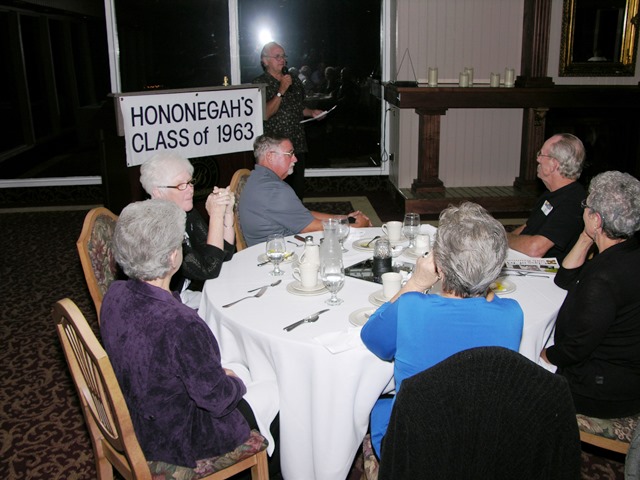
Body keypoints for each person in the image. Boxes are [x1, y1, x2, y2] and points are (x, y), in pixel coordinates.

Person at [100, 199, 279, 472]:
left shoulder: (115, 295)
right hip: (179, 439)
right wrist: (234, 382)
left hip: (136, 412)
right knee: (275, 388)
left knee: (239, 366)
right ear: (173, 257)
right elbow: (218, 400)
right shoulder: (181, 323)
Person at [361, 202, 524, 458]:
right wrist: (482, 281)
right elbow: (486, 302)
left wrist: (416, 283)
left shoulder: (412, 307)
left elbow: (371, 337)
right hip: (482, 447)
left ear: (440, 264)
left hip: (414, 452)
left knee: (376, 405)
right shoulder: (512, 315)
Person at [541, 171, 640, 418]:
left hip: (602, 390)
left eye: (586, 204)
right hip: (624, 375)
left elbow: (575, 347)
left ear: (596, 219)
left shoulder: (603, 279)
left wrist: (546, 355)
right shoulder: (629, 250)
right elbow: (564, 279)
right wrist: (587, 237)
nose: (582, 208)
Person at [238, 134, 371, 246]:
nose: (295, 159)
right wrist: (356, 227)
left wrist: (343, 219)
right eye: (290, 154)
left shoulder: (258, 179)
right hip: (279, 255)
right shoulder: (274, 190)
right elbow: (311, 228)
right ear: (270, 156)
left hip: (277, 247)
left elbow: (302, 214)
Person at [140, 150, 235, 308]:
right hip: (162, 305)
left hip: (183, 295)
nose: (190, 189)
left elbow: (222, 255)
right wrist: (216, 216)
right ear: (158, 192)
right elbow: (209, 270)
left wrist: (227, 213)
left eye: (190, 182)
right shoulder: (157, 229)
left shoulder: (185, 212)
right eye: (181, 185)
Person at [252, 42, 324, 199]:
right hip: (274, 149)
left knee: (297, 191)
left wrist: (312, 112)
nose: (282, 59)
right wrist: (281, 90)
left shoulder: (294, 81)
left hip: (296, 144)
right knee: (275, 194)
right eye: (277, 56)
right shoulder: (259, 84)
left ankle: (296, 214)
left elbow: (297, 108)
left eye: (283, 56)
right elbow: (265, 114)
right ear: (265, 61)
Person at [507, 133, 586, 263]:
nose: (538, 159)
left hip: (548, 271)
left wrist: (504, 238)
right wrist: (500, 242)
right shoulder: (552, 193)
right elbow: (528, 226)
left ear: (553, 164)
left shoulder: (572, 203)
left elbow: (535, 249)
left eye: (541, 154)